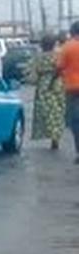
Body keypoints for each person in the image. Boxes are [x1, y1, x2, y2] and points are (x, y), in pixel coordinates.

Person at [28, 34, 65, 150]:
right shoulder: (59, 56)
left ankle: (48, 133)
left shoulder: (38, 58)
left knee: (45, 112)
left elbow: (33, 77)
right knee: (58, 112)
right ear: (54, 44)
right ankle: (56, 137)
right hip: (58, 85)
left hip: (44, 86)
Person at [56, 21, 79, 164]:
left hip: (72, 88)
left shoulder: (66, 48)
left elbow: (59, 67)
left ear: (72, 32)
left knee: (75, 121)